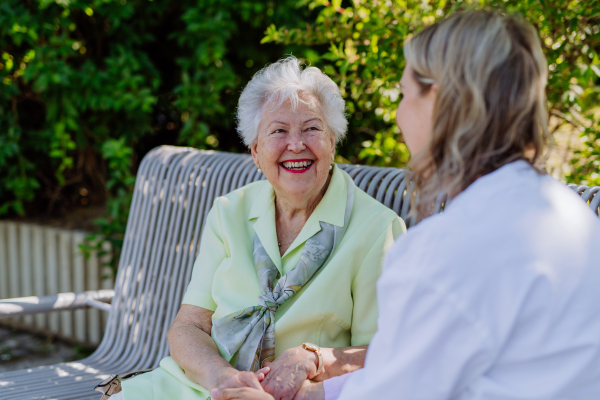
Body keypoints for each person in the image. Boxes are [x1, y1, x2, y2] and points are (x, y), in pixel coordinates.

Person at [210, 10, 600, 400]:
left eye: (403, 94)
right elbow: (415, 369)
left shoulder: (444, 250)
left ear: (443, 102)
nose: (397, 116)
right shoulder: (573, 216)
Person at [113, 56, 406, 400]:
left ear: (332, 142)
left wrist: (313, 361)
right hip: (205, 383)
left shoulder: (377, 229)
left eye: (311, 128)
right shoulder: (229, 212)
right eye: (279, 131)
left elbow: (389, 353)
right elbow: (189, 325)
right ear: (255, 151)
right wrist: (222, 377)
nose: (296, 144)